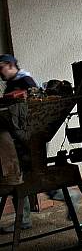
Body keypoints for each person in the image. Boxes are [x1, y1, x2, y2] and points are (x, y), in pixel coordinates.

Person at [0, 54, 37, 232]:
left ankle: (66, 197)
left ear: (10, 65)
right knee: (19, 179)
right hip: (17, 139)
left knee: (33, 178)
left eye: (1, 68)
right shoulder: (10, 84)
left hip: (29, 138)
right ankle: (24, 219)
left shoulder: (26, 80)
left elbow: (35, 106)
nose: (0, 73)